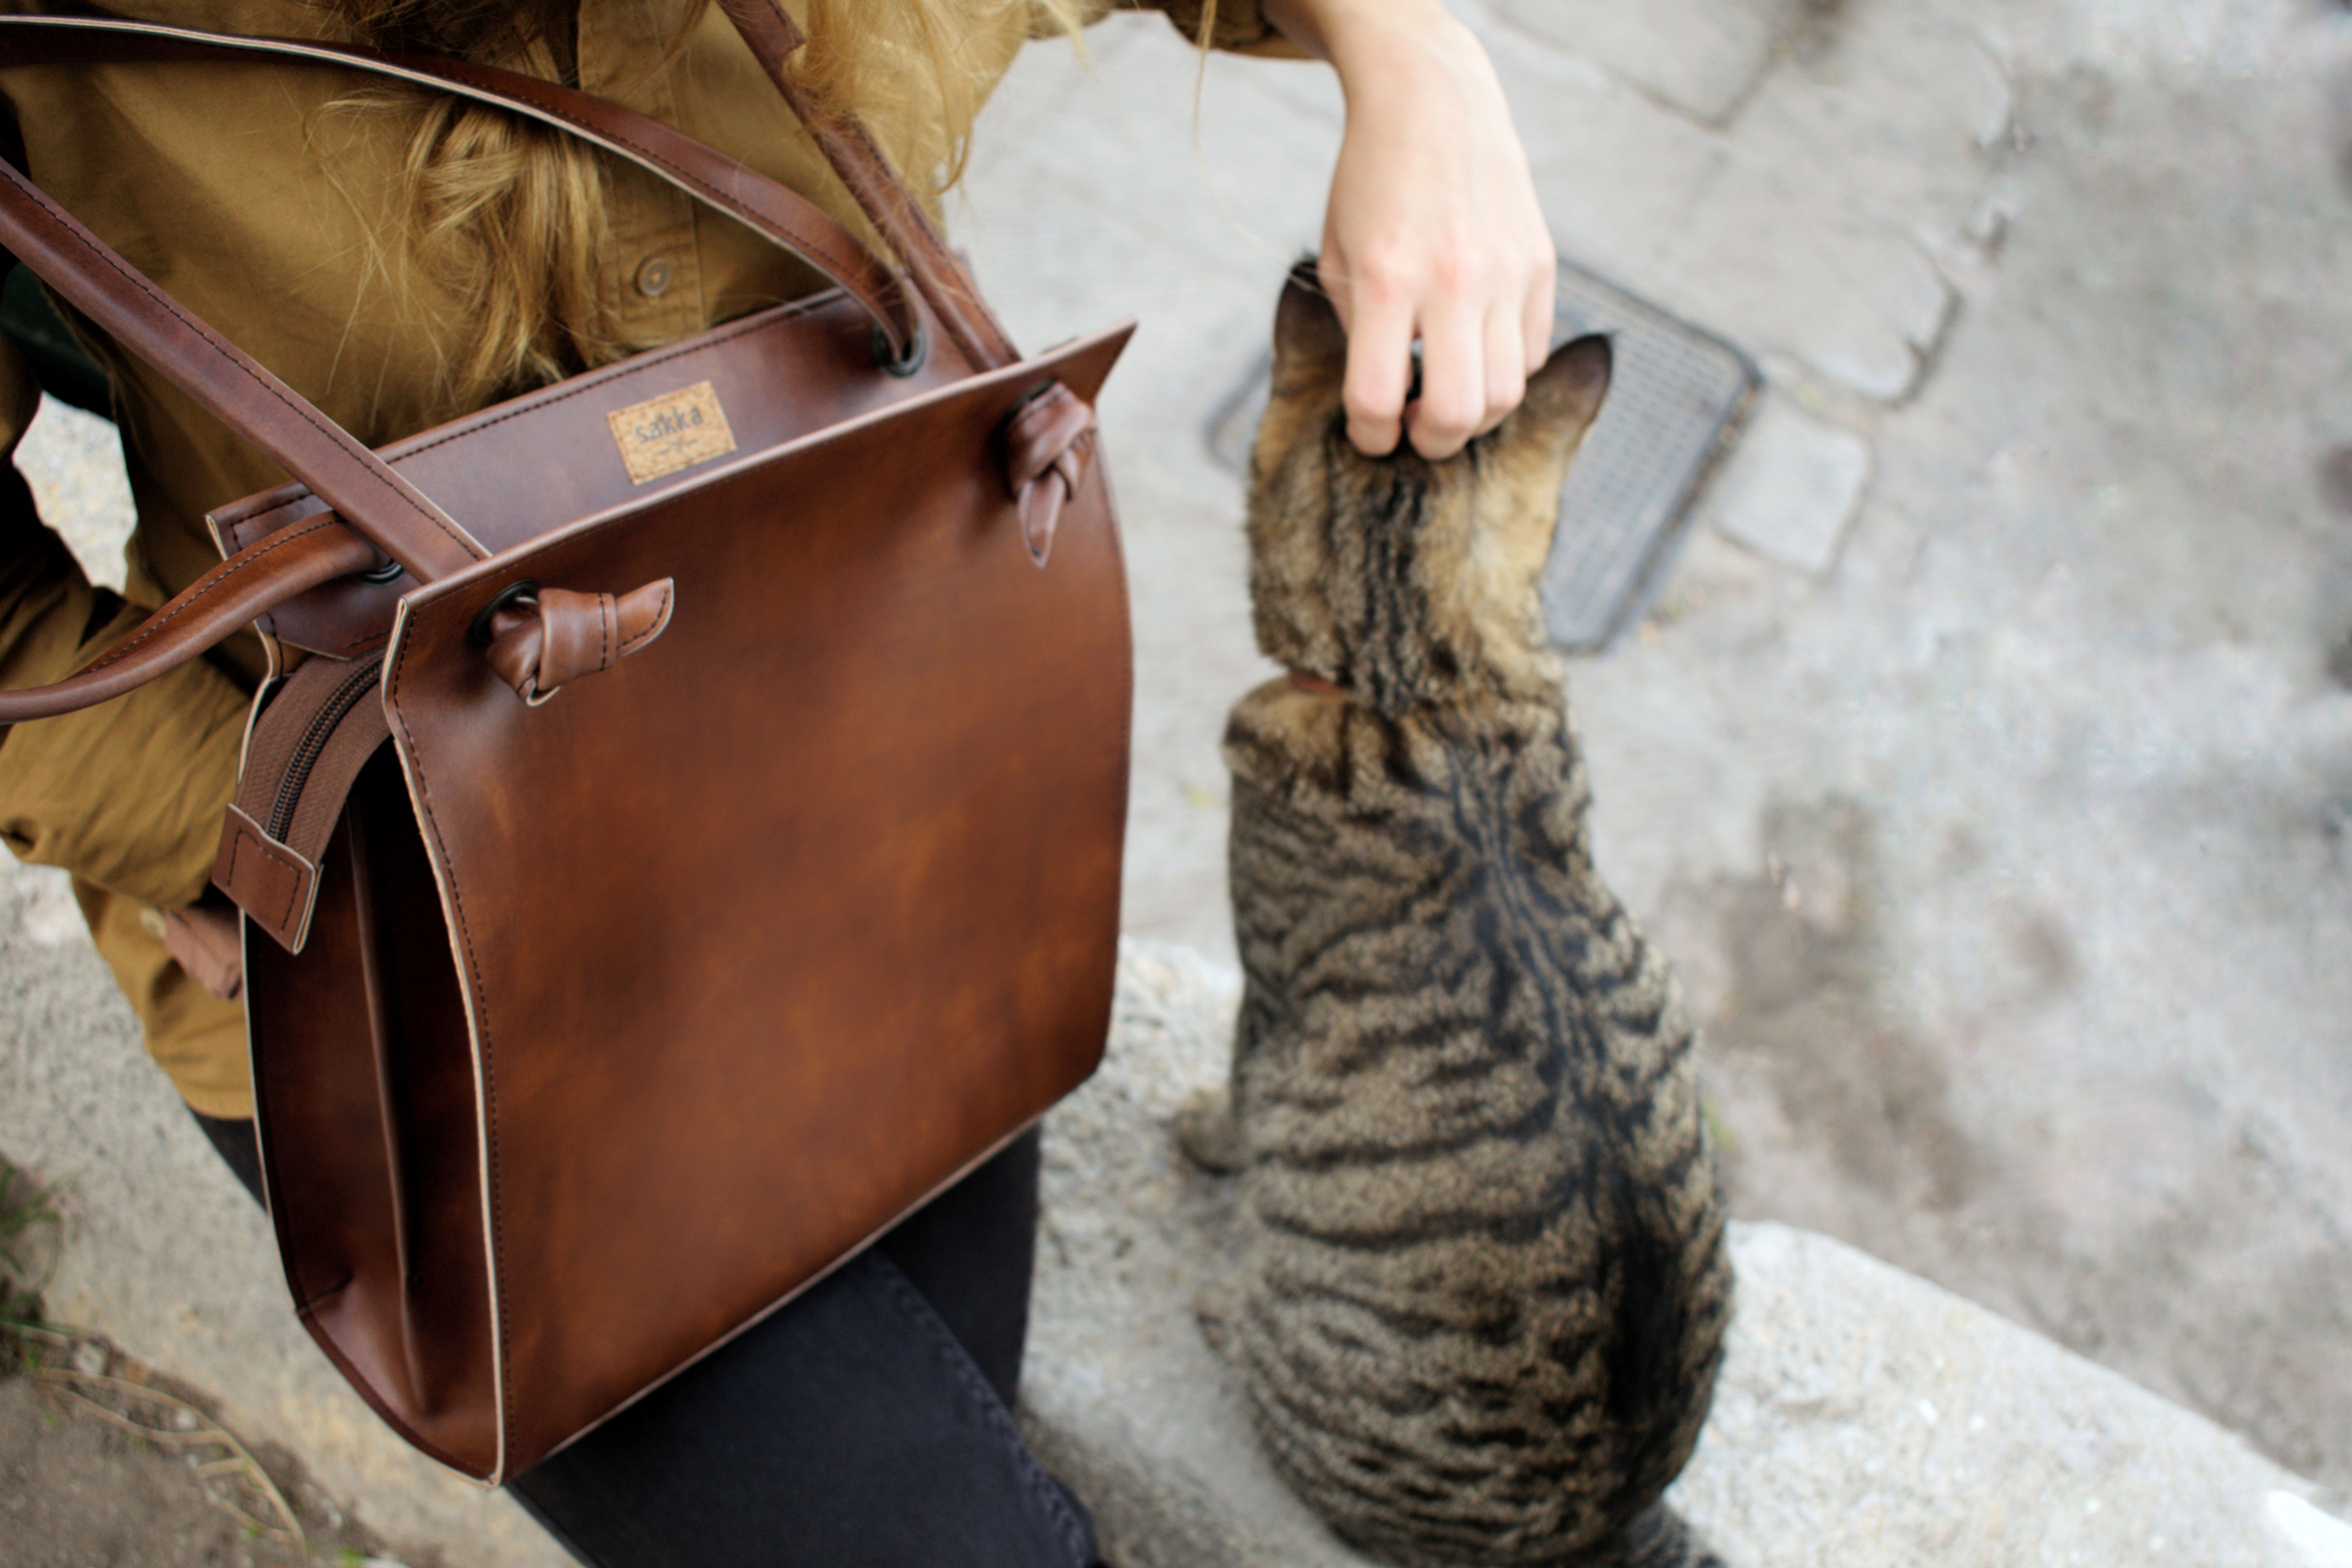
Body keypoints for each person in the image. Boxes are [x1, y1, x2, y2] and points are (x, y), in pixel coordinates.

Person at [0, 1, 1554, 1562]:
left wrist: (1418, 57)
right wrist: (219, 815)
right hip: (436, 987)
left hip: (878, 831)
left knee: (958, 1435)